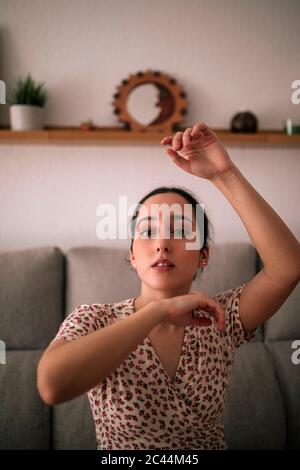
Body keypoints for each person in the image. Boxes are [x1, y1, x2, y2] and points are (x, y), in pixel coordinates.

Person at [37, 122, 300, 450]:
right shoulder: (94, 319)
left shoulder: (222, 318)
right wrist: (158, 311)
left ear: (203, 255)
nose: (161, 243)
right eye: (147, 232)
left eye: (179, 231)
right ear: (132, 255)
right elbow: (51, 385)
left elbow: (288, 267)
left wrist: (225, 174)